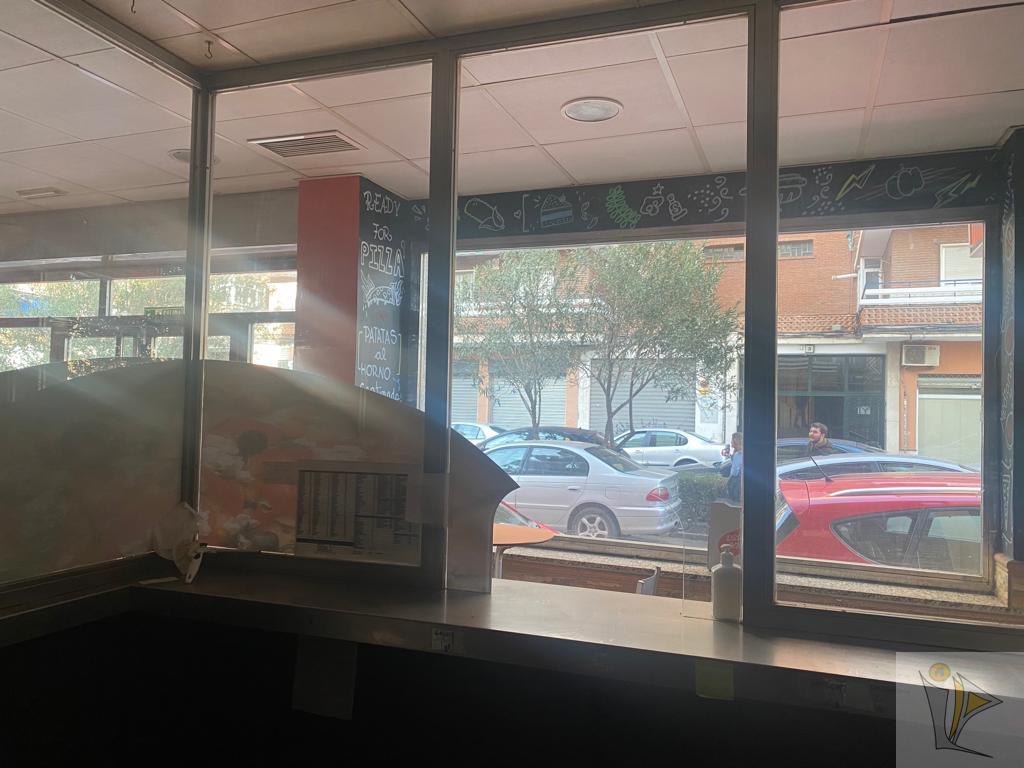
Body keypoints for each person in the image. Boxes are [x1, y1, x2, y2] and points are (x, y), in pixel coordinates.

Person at [726, 432, 742, 503]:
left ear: (736, 441)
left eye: (732, 440)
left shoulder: (739, 454)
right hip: (737, 482)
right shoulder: (737, 453)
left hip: (737, 483)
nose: (731, 442)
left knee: (735, 502)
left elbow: (735, 472)